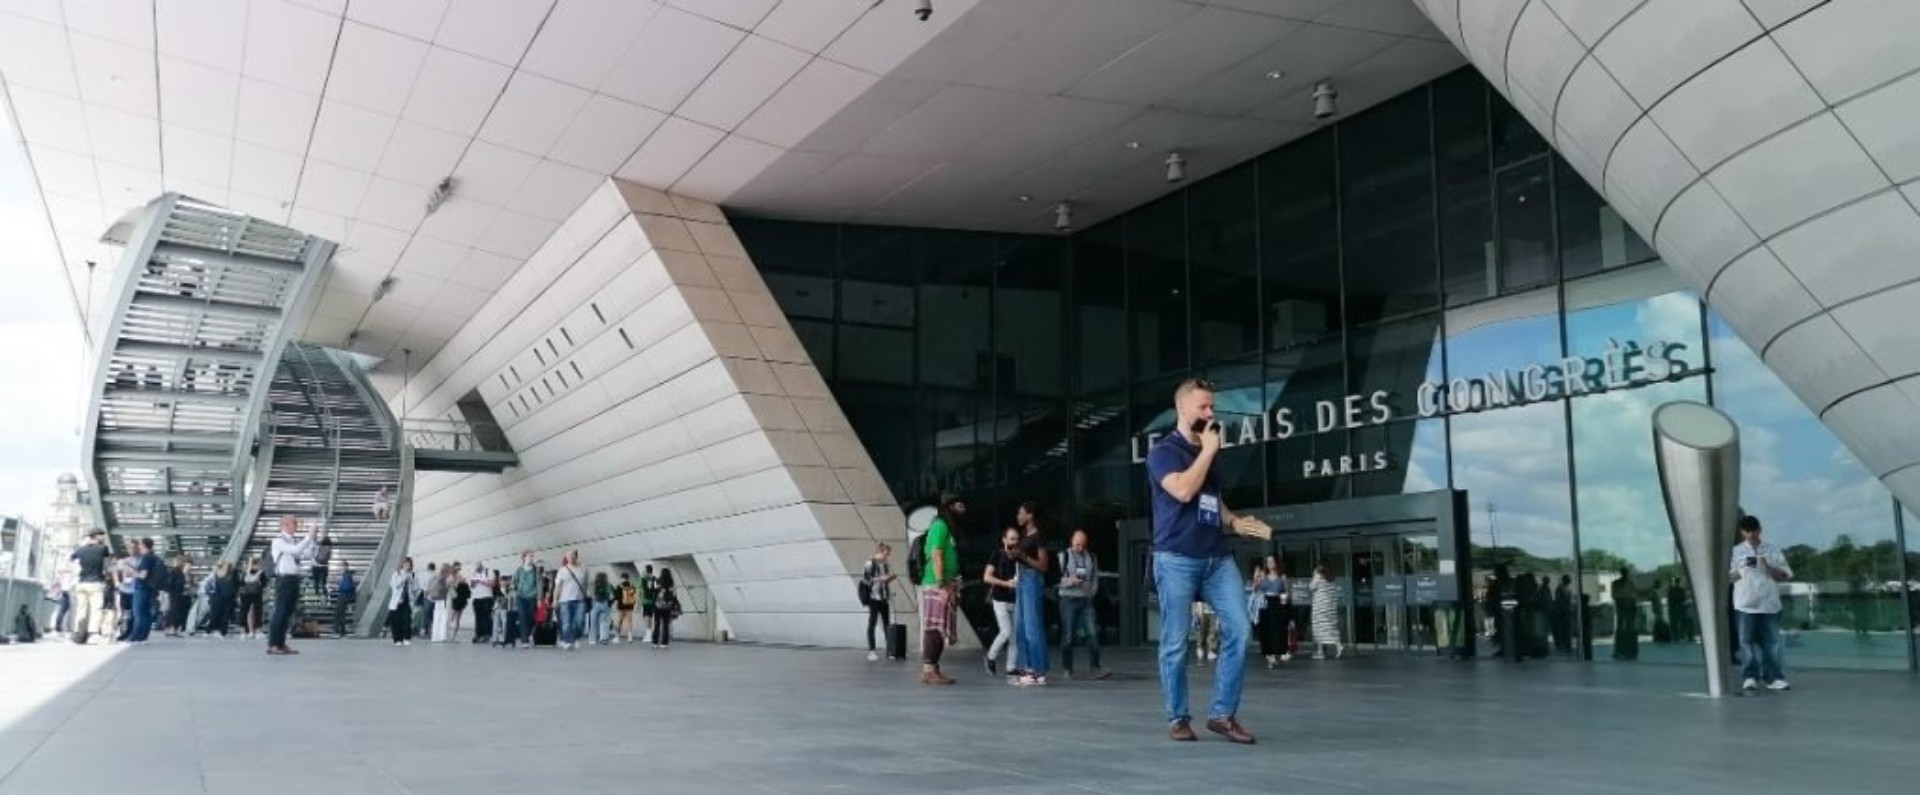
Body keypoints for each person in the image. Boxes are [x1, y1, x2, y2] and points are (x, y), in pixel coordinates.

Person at [1143, 378, 1270, 744]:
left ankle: (1222, 714)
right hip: (1176, 558)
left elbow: (1210, 498)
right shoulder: (1163, 452)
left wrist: (1234, 521)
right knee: (1175, 642)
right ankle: (1178, 717)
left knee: (1241, 629)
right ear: (1182, 408)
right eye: (1203, 407)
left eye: (1212, 406)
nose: (1211, 413)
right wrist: (1208, 451)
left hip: (1216, 557)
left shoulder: (1208, 451)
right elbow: (1183, 490)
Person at [1731, 515, 1792, 691]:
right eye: (1746, 531)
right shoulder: (1736, 552)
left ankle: (1773, 677)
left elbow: (1785, 575)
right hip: (1745, 604)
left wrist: (1768, 566)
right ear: (1742, 532)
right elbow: (1729, 578)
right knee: (1745, 642)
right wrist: (1742, 568)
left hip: (1769, 604)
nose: (1750, 534)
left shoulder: (1772, 550)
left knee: (1772, 642)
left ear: (1759, 529)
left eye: (1753, 530)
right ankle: (1750, 676)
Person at [918, 495, 966, 685]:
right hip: (936, 584)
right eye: (961, 505)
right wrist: (941, 582)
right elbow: (936, 554)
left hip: (944, 583)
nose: (964, 509)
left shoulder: (947, 527)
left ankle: (933, 669)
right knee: (934, 628)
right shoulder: (940, 525)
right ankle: (929, 670)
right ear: (950, 506)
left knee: (938, 628)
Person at [1058, 529, 1109, 680]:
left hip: (1086, 599)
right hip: (1068, 598)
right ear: (1071, 541)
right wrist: (1069, 581)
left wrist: (1091, 592)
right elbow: (1056, 579)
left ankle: (1095, 667)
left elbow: (1095, 577)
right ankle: (1067, 669)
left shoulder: (1091, 557)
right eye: (1077, 544)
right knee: (1068, 635)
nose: (1079, 548)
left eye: (1082, 545)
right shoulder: (1063, 556)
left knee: (1093, 633)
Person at [1009, 501, 1049, 686]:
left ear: (1030, 515)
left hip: (1032, 580)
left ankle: (1036, 670)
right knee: (1020, 627)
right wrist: (1014, 554)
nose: (1018, 516)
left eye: (1021, 513)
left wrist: (1023, 557)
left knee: (1032, 627)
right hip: (1022, 580)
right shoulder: (1024, 536)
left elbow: (1043, 565)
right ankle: (1029, 668)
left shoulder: (1038, 536)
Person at [267, 515, 318, 655]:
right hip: (284, 579)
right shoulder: (278, 541)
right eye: (294, 523)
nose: (297, 525)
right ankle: (273, 644)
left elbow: (306, 554)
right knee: (280, 611)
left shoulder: (293, 541)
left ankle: (281, 643)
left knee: (287, 612)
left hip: (293, 579)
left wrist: (312, 540)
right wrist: (308, 537)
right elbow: (295, 550)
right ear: (285, 525)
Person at [982, 529, 1022, 678]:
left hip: (1015, 599)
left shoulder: (1019, 557)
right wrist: (1005, 583)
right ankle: (990, 657)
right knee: (1005, 632)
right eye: (1011, 539)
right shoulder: (997, 555)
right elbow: (987, 577)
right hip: (999, 599)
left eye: (1017, 539)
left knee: (1014, 636)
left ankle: (1011, 667)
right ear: (1004, 540)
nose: (1014, 542)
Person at [68, 530, 109, 644]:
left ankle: (79, 634)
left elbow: (71, 559)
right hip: (96, 582)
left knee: (81, 610)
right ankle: (92, 634)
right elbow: (106, 565)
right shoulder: (103, 548)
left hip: (82, 583)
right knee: (96, 609)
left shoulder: (81, 549)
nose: (103, 537)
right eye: (101, 535)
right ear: (96, 536)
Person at [1253, 556, 1290, 668]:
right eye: (1268, 561)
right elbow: (1255, 589)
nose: (1270, 563)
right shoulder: (1263, 577)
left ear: (1276, 563)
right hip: (1265, 604)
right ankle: (1270, 656)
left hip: (1277, 604)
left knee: (1276, 631)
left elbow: (1287, 593)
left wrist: (1285, 599)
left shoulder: (1282, 577)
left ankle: (1274, 655)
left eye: (1272, 561)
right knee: (1266, 631)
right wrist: (1256, 578)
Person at [863, 543, 896, 662]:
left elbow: (885, 581)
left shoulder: (885, 564)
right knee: (872, 623)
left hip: (883, 597)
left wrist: (888, 580)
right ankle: (871, 651)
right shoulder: (870, 563)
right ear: (880, 552)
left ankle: (891, 650)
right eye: (886, 554)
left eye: (888, 555)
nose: (888, 557)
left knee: (887, 624)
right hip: (873, 598)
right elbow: (867, 580)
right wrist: (881, 579)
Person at [553, 551, 588, 650]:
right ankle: (568, 641)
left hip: (579, 600)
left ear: (576, 557)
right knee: (566, 622)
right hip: (565, 600)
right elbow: (558, 586)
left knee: (579, 622)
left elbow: (585, 584)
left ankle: (576, 638)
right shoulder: (562, 570)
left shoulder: (583, 569)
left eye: (572, 555)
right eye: (568, 556)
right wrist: (555, 599)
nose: (570, 557)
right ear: (566, 558)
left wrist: (585, 595)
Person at [1310, 564, 1344, 660]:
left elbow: (1311, 587)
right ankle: (1338, 645)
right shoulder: (1332, 580)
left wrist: (1315, 576)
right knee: (1331, 628)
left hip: (1320, 608)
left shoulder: (1318, 577)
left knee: (1319, 628)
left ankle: (1320, 652)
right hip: (1330, 609)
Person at [513, 552, 540, 649]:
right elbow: (514, 582)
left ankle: (530, 633)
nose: (532, 558)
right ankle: (524, 640)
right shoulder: (519, 570)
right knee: (522, 617)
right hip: (521, 597)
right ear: (524, 558)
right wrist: (515, 590)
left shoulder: (536, 570)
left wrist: (539, 598)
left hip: (532, 596)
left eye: (533, 556)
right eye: (530, 556)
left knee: (530, 617)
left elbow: (539, 584)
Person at [1611, 569, 1639, 661]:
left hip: (1629, 610)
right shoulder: (1616, 583)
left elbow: (1635, 595)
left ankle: (1629, 651)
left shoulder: (1631, 583)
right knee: (1621, 629)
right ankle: (1619, 651)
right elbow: (1614, 595)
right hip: (1622, 609)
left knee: (1629, 629)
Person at [388, 557, 417, 646]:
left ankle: (407, 638)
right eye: (405, 564)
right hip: (396, 601)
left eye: (409, 564)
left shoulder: (412, 574)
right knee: (396, 621)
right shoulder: (396, 574)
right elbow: (395, 585)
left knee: (407, 620)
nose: (407, 566)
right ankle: (397, 639)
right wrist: (404, 578)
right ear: (402, 565)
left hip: (407, 601)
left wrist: (411, 582)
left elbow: (415, 588)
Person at [238, 557, 267, 639]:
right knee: (258, 612)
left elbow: (241, 584)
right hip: (257, 594)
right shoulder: (261, 573)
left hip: (245, 594)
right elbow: (264, 584)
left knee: (244, 612)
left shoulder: (244, 573)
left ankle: (243, 632)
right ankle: (258, 631)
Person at [652, 567, 679, 648]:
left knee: (657, 624)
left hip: (658, 605)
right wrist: (674, 604)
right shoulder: (672, 583)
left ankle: (655, 642)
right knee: (666, 625)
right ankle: (664, 643)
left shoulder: (658, 581)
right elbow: (674, 595)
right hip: (668, 606)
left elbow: (653, 592)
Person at [470, 566, 495, 643]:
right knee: (478, 617)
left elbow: (492, 584)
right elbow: (471, 585)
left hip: (486, 596)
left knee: (486, 616)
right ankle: (478, 634)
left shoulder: (489, 571)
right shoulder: (474, 572)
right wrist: (473, 582)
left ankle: (487, 634)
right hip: (476, 597)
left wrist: (481, 581)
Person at [589, 571, 615, 645]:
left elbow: (590, 594)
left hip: (595, 604)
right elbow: (612, 596)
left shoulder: (593, 584)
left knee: (593, 622)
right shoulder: (608, 585)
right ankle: (603, 638)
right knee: (604, 622)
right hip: (605, 604)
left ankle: (593, 639)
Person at [333, 564, 357, 638]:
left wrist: (339, 587)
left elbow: (346, 587)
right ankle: (339, 629)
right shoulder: (347, 576)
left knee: (340, 613)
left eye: (342, 567)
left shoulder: (347, 575)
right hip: (345, 596)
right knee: (339, 613)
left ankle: (340, 630)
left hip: (344, 596)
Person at [615, 573, 639, 643]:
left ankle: (617, 637)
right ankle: (630, 637)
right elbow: (634, 594)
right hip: (630, 605)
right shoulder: (632, 585)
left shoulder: (619, 586)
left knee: (619, 621)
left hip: (621, 606)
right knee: (629, 621)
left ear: (622, 578)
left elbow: (617, 596)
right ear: (628, 578)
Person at [310, 533, 334, 598]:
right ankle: (324, 592)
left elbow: (313, 554)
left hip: (315, 565)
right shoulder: (330, 548)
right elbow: (329, 558)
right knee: (324, 581)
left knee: (316, 581)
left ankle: (316, 592)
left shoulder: (319, 546)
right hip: (324, 566)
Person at [640, 564, 658, 644]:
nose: (643, 572)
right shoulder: (655, 578)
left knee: (647, 617)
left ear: (647, 571)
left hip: (647, 601)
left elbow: (644, 590)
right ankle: (649, 634)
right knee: (651, 617)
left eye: (644, 570)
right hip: (654, 600)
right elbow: (656, 589)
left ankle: (648, 635)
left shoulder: (643, 579)